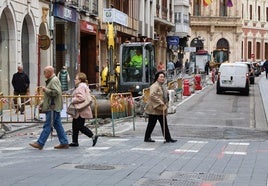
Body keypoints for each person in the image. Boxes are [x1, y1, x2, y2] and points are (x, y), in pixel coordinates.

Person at [29, 66, 69, 150]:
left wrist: (45, 89)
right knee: (57, 125)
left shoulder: (54, 80)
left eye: (45, 72)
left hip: (53, 107)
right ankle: (64, 142)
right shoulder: (52, 80)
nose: (44, 74)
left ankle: (40, 143)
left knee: (47, 125)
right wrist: (43, 103)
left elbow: (56, 93)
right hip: (53, 106)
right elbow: (50, 96)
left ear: (49, 72)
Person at [144, 71, 177, 143]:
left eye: (163, 77)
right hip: (154, 109)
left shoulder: (162, 86)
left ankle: (168, 138)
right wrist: (160, 102)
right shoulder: (154, 86)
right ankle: (147, 138)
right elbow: (152, 95)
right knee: (151, 124)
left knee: (164, 124)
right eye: (161, 77)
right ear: (157, 78)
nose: (162, 78)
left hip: (160, 109)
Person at [69, 72, 98, 147]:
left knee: (79, 126)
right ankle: (74, 141)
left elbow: (81, 97)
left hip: (80, 110)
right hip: (82, 109)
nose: (74, 80)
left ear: (80, 80)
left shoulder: (81, 86)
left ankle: (92, 136)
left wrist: (73, 99)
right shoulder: (84, 85)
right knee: (75, 125)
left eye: (76, 79)